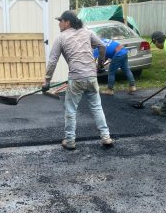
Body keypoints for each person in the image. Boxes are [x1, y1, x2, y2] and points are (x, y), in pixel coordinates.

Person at [42, 10, 113, 150]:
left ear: (67, 22)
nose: (59, 24)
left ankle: (69, 141)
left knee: (71, 109)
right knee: (97, 107)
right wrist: (99, 65)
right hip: (92, 77)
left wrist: (47, 81)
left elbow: (52, 61)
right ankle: (106, 137)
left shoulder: (61, 38)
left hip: (76, 78)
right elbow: (102, 46)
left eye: (60, 21)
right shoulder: (87, 32)